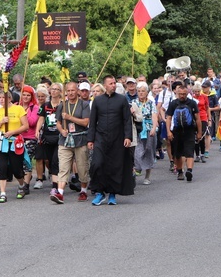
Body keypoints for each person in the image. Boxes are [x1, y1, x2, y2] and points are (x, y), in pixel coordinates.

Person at [87, 75, 134, 205]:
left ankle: (112, 194)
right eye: (111, 83)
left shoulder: (122, 100)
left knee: (115, 166)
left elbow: (127, 120)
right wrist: (90, 139)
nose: (114, 85)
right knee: (97, 163)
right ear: (105, 85)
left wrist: (128, 137)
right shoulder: (98, 101)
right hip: (101, 138)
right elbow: (93, 121)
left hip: (117, 138)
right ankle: (99, 192)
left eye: (114, 83)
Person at [53, 81, 91, 203]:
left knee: (82, 167)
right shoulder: (62, 105)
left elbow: (85, 122)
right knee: (63, 167)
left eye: (72, 90)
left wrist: (70, 118)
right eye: (68, 91)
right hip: (65, 140)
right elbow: (58, 122)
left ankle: (83, 191)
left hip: (80, 139)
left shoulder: (84, 105)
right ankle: (60, 192)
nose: (70, 93)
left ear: (78, 91)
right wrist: (61, 130)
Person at [0, 91, 29, 203]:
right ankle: (3, 193)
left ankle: (21, 185)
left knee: (16, 168)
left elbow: (25, 126)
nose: (1, 100)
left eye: (4, 97)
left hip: (15, 141)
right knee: (1, 167)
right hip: (1, 142)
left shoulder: (18, 109)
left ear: (10, 98)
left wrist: (13, 132)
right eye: (0, 97)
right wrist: (1, 122)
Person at [166, 84, 202, 182]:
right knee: (177, 153)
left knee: (189, 151)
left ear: (187, 93)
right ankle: (180, 171)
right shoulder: (173, 103)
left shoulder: (192, 103)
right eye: (180, 94)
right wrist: (169, 131)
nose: (182, 96)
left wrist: (199, 132)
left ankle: (189, 171)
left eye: (184, 94)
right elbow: (168, 118)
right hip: (176, 131)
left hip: (190, 130)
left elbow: (198, 118)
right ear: (177, 93)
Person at [131, 82, 159, 184]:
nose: (141, 93)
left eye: (143, 91)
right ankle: (137, 168)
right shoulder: (133, 102)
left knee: (149, 150)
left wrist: (154, 127)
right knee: (137, 151)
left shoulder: (151, 103)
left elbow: (154, 116)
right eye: (139, 91)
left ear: (147, 92)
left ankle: (147, 176)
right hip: (137, 129)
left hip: (148, 128)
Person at [36, 83, 62, 191]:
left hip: (60, 136)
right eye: (53, 89)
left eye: (57, 89)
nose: (54, 91)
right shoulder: (45, 106)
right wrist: (37, 130)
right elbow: (41, 119)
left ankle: (56, 186)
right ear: (50, 91)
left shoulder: (63, 105)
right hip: (47, 136)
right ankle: (55, 176)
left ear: (60, 91)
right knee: (49, 160)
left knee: (56, 160)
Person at [18, 85, 41, 197]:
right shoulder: (17, 106)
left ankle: (26, 184)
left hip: (30, 138)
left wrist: (22, 113)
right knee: (18, 161)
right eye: (24, 95)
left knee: (26, 160)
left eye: (28, 95)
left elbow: (32, 122)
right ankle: (24, 179)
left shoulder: (35, 108)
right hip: (18, 137)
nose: (26, 97)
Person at [195, 80, 216, 160]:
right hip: (195, 118)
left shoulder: (204, 97)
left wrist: (209, 119)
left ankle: (203, 154)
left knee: (202, 136)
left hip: (203, 117)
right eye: (195, 91)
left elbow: (207, 109)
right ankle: (197, 155)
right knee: (196, 136)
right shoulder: (192, 97)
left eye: (198, 91)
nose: (197, 93)